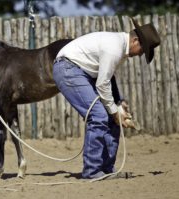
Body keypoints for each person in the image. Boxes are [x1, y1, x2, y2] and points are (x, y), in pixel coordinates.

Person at [53, 18, 160, 179]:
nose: (140, 55)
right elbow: (103, 84)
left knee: (111, 118)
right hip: (68, 69)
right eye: (142, 50)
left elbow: (109, 78)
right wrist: (114, 111)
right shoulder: (114, 49)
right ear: (135, 40)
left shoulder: (118, 47)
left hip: (80, 71)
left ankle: (107, 169)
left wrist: (119, 102)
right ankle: (92, 171)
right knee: (99, 116)